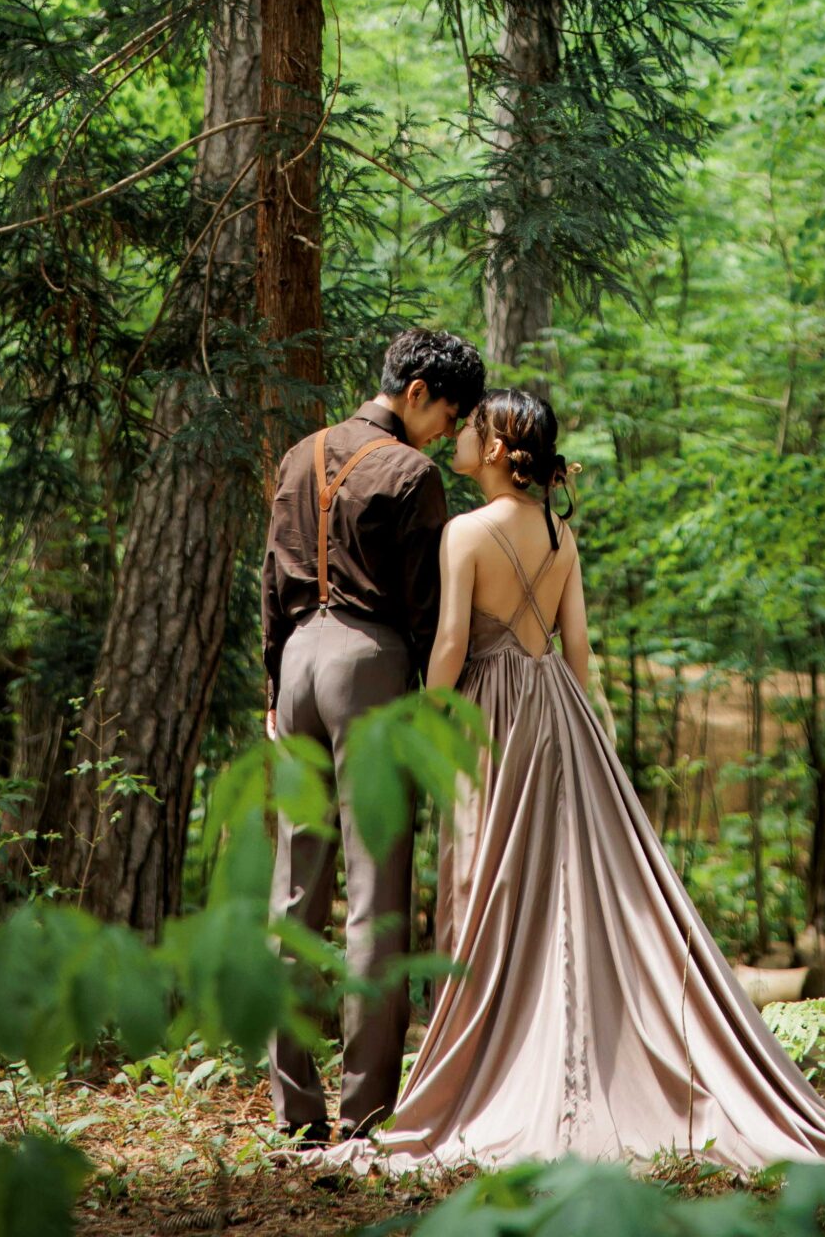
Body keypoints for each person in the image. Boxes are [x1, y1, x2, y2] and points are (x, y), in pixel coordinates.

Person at [349, 386, 825, 1174]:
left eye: (475, 430)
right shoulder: (561, 534)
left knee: (486, 882)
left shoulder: (464, 533)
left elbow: (447, 647)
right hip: (559, 717)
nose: (463, 438)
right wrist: (583, 733)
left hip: (492, 719)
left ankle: (487, 1063)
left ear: (501, 450)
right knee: (566, 890)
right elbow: (578, 651)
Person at [261, 326, 486, 1146]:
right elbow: (427, 605)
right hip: (373, 665)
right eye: (448, 413)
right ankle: (365, 1116)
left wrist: (271, 688)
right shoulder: (413, 473)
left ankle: (295, 1115)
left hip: (296, 662)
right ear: (419, 389)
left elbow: (273, 575)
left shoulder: (298, 453)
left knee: (295, 893)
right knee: (375, 896)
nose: (445, 432)